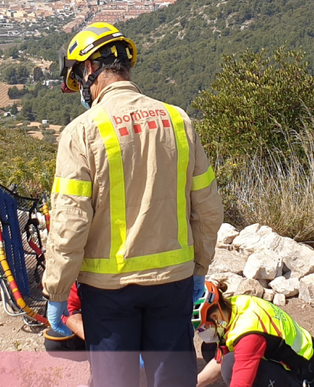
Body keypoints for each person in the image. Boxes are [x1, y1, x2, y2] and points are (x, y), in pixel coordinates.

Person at [41, 22, 224, 387]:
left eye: (79, 78)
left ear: (90, 68)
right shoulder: (178, 120)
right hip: (172, 281)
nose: (82, 89)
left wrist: (57, 292)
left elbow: (69, 224)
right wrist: (199, 268)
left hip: (108, 290)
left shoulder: (83, 131)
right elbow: (208, 207)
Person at [195, 281, 314, 387]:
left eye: (201, 328)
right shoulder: (233, 307)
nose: (200, 332)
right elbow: (219, 359)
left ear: (214, 316)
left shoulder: (249, 334)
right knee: (210, 348)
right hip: (290, 360)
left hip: (300, 374)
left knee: (230, 364)